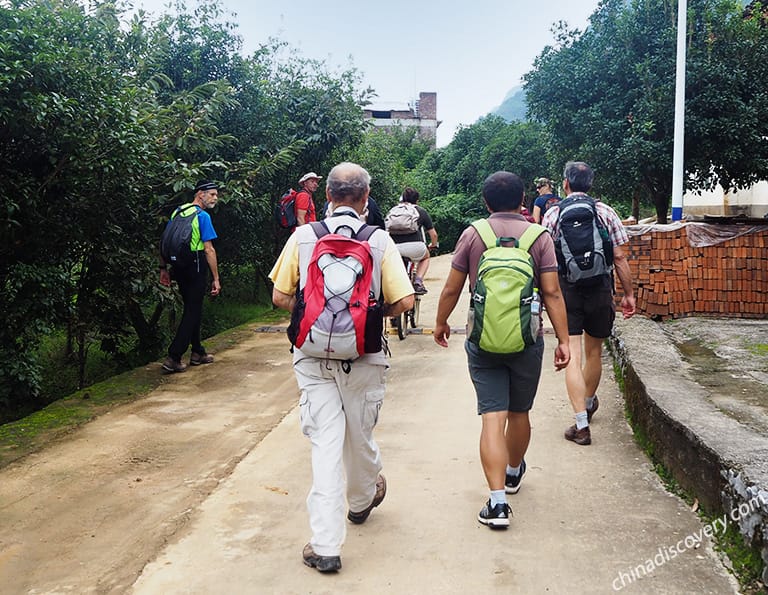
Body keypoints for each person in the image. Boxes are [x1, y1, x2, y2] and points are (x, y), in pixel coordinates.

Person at [269, 162, 414, 573]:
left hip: (313, 358)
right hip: (365, 356)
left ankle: (326, 546)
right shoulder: (379, 240)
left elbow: (281, 297)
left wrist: (316, 315)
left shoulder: (303, 237)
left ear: (327, 197)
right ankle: (363, 498)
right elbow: (404, 303)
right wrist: (365, 315)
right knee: (361, 435)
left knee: (326, 445)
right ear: (366, 198)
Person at [434, 171, 571, 529]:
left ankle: (496, 505)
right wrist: (564, 340)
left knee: (492, 417)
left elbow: (451, 288)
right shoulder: (539, 237)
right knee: (520, 412)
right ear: (523, 199)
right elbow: (553, 293)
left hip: (482, 339)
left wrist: (441, 322)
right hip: (527, 339)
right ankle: (512, 473)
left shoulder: (473, 234)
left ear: (486, 202)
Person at [541, 161, 636, 446]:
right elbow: (619, 257)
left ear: (565, 184)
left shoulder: (553, 214)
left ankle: (581, 425)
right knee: (594, 352)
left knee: (571, 352)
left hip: (565, 291)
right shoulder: (605, 211)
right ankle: (590, 401)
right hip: (599, 287)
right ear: (590, 185)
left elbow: (545, 260)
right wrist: (629, 294)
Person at [159, 180, 221, 373]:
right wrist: (216, 278)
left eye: (216, 195)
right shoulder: (202, 216)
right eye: (212, 194)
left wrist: (163, 268)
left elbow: (165, 240)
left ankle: (198, 352)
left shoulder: (178, 212)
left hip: (178, 266)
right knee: (192, 311)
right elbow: (209, 249)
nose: (215, 198)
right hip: (195, 265)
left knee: (192, 308)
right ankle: (174, 357)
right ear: (200, 194)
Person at [389, 187, 438, 294]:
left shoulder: (394, 210)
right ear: (417, 200)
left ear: (403, 198)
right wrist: (433, 245)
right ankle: (418, 282)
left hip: (394, 248)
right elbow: (433, 235)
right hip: (415, 247)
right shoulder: (420, 211)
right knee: (426, 257)